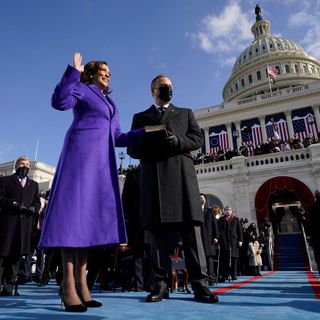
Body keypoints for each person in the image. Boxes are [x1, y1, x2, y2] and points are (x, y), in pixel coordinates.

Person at [39, 53, 144, 312]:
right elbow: (59, 102)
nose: (108, 74)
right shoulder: (83, 89)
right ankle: (67, 284)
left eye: (109, 71)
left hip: (100, 163)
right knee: (73, 218)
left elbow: (117, 136)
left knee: (86, 221)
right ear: (92, 73)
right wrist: (73, 72)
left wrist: (147, 134)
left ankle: (82, 284)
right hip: (79, 155)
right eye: (103, 70)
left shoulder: (111, 104)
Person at [127, 74, 219, 303]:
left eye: (169, 86)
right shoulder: (140, 117)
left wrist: (178, 141)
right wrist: (150, 145)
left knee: (191, 232)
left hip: (181, 177)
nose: (167, 89)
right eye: (162, 86)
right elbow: (131, 148)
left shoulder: (185, 113)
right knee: (157, 235)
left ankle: (200, 284)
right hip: (154, 178)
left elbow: (197, 139)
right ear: (153, 91)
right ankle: (160, 285)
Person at [0, 156, 41, 296]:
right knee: (2, 256)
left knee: (15, 259)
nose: (25, 166)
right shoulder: (5, 181)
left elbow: (37, 202)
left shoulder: (33, 184)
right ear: (16, 166)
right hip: (7, 224)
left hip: (23, 227)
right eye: (22, 164)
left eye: (28, 164)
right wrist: (13, 204)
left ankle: (8, 288)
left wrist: (33, 209)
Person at [218, 206, 243, 281]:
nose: (227, 211)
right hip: (224, 242)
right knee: (225, 259)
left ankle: (233, 274)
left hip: (234, 242)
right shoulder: (221, 219)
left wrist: (240, 240)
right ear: (224, 211)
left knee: (234, 259)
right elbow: (219, 230)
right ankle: (225, 274)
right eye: (226, 210)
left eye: (229, 210)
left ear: (231, 211)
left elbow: (239, 231)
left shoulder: (236, 219)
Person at [200, 194, 219, 285]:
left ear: (205, 200)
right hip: (199, 238)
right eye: (199, 198)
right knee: (200, 258)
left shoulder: (209, 210)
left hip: (209, 238)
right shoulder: (196, 211)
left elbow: (214, 224)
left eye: (202, 198)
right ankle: (202, 278)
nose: (200, 199)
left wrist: (216, 237)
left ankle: (211, 277)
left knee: (209, 258)